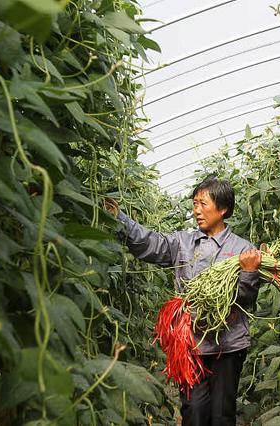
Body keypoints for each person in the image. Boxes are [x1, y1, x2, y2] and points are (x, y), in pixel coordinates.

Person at [105, 175, 261, 426]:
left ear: (222, 209)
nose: (197, 211)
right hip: (190, 344)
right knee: (193, 411)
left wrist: (250, 272)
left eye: (203, 204)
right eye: (195, 203)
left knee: (222, 414)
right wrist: (120, 219)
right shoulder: (183, 243)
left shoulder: (243, 250)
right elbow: (149, 242)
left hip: (228, 345)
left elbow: (246, 299)